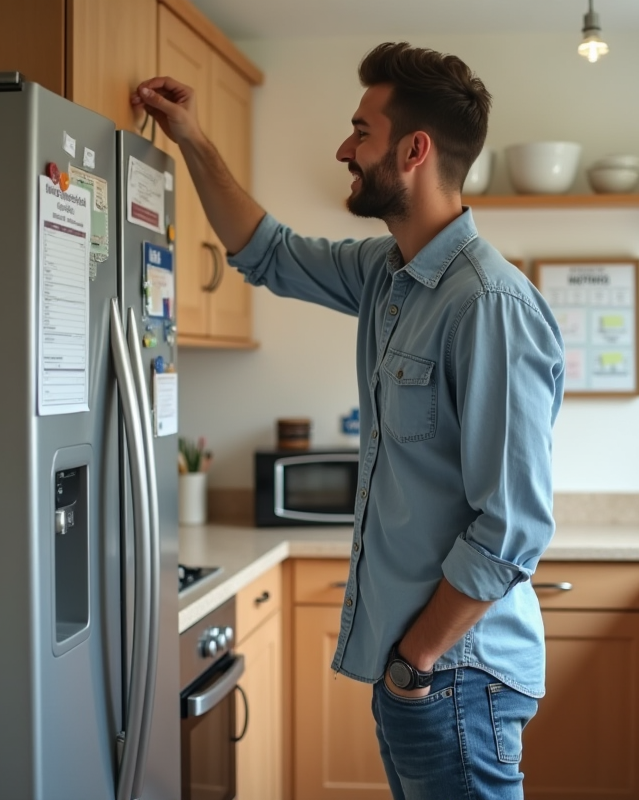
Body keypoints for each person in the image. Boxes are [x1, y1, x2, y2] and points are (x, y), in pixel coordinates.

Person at [134, 42, 565, 800]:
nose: (345, 148)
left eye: (360, 131)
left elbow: (513, 527)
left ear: (414, 149)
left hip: (455, 674)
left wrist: (415, 664)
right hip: (417, 669)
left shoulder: (489, 306)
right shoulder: (387, 273)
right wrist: (193, 139)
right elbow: (266, 251)